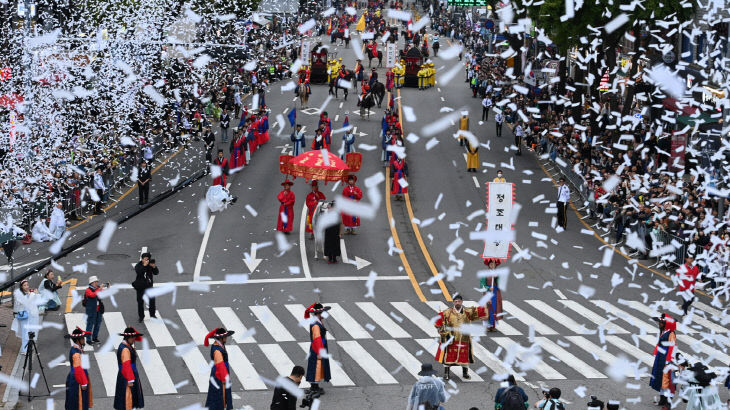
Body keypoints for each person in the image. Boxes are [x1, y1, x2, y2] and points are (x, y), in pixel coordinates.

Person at [434, 294, 490, 380]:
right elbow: (438, 321)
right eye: (455, 301)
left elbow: (480, 311)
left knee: (464, 358)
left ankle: (465, 373)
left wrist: (487, 304)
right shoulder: (447, 312)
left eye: (459, 301)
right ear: (453, 302)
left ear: (462, 302)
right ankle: (446, 373)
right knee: (448, 357)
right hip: (451, 339)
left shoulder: (468, 312)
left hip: (464, 339)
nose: (457, 303)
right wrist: (440, 328)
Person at [650, 313, 677, 409]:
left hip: (666, 358)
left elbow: (672, 347)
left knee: (667, 380)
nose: (659, 324)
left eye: (661, 322)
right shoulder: (664, 331)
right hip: (661, 357)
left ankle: (668, 403)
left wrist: (669, 360)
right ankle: (662, 400)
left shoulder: (671, 333)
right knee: (660, 377)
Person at [113, 327, 145, 410]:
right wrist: (130, 379)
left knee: (126, 396)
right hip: (127, 375)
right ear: (128, 338)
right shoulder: (125, 350)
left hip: (126, 374)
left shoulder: (125, 346)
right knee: (129, 396)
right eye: (133, 337)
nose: (134, 339)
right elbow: (126, 365)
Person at [204, 327, 235, 410]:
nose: (226, 338)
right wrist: (225, 378)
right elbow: (220, 365)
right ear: (221, 338)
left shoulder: (220, 345)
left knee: (218, 395)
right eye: (225, 337)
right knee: (219, 395)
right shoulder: (217, 351)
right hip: (219, 375)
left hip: (220, 372)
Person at [304, 303, 331, 393]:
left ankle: (315, 386)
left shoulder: (317, 321)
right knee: (317, 366)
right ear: (319, 313)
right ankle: (314, 387)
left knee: (317, 366)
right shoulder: (316, 325)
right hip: (317, 348)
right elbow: (317, 339)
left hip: (319, 347)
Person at [65, 327, 93, 410]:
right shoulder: (76, 353)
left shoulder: (77, 349)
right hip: (78, 381)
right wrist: (84, 382)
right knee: (78, 403)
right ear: (78, 340)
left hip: (77, 378)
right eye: (82, 338)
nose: (84, 340)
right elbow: (78, 370)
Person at [11, 279, 41, 354]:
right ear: (21, 286)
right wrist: (31, 295)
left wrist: (36, 294)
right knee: (25, 333)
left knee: (30, 332)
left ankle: (29, 347)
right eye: (24, 285)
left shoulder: (30, 293)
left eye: (27, 285)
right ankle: (24, 350)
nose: (27, 286)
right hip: (23, 316)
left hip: (31, 316)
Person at [133, 252, 159, 323]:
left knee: (152, 301)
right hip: (140, 287)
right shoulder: (138, 265)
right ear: (142, 259)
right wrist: (144, 266)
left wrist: (154, 266)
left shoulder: (150, 265)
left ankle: (152, 315)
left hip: (149, 286)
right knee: (140, 302)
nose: (146, 260)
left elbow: (156, 272)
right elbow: (139, 272)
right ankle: (141, 316)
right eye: (145, 259)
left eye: (147, 259)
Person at [481, 258, 503, 332]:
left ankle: (493, 325)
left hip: (496, 293)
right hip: (488, 293)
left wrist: (497, 278)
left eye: (494, 264)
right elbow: (482, 285)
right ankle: (487, 325)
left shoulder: (497, 274)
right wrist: (488, 288)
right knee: (487, 308)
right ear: (489, 265)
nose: (492, 266)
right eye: (491, 264)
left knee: (495, 307)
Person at [84, 276, 106, 345]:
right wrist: (99, 289)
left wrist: (105, 288)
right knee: (90, 325)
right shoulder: (88, 290)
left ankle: (95, 337)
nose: (97, 283)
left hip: (98, 310)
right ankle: (88, 339)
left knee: (98, 324)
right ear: (92, 283)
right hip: (91, 310)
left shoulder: (97, 288)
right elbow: (93, 295)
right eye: (96, 282)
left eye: (97, 282)